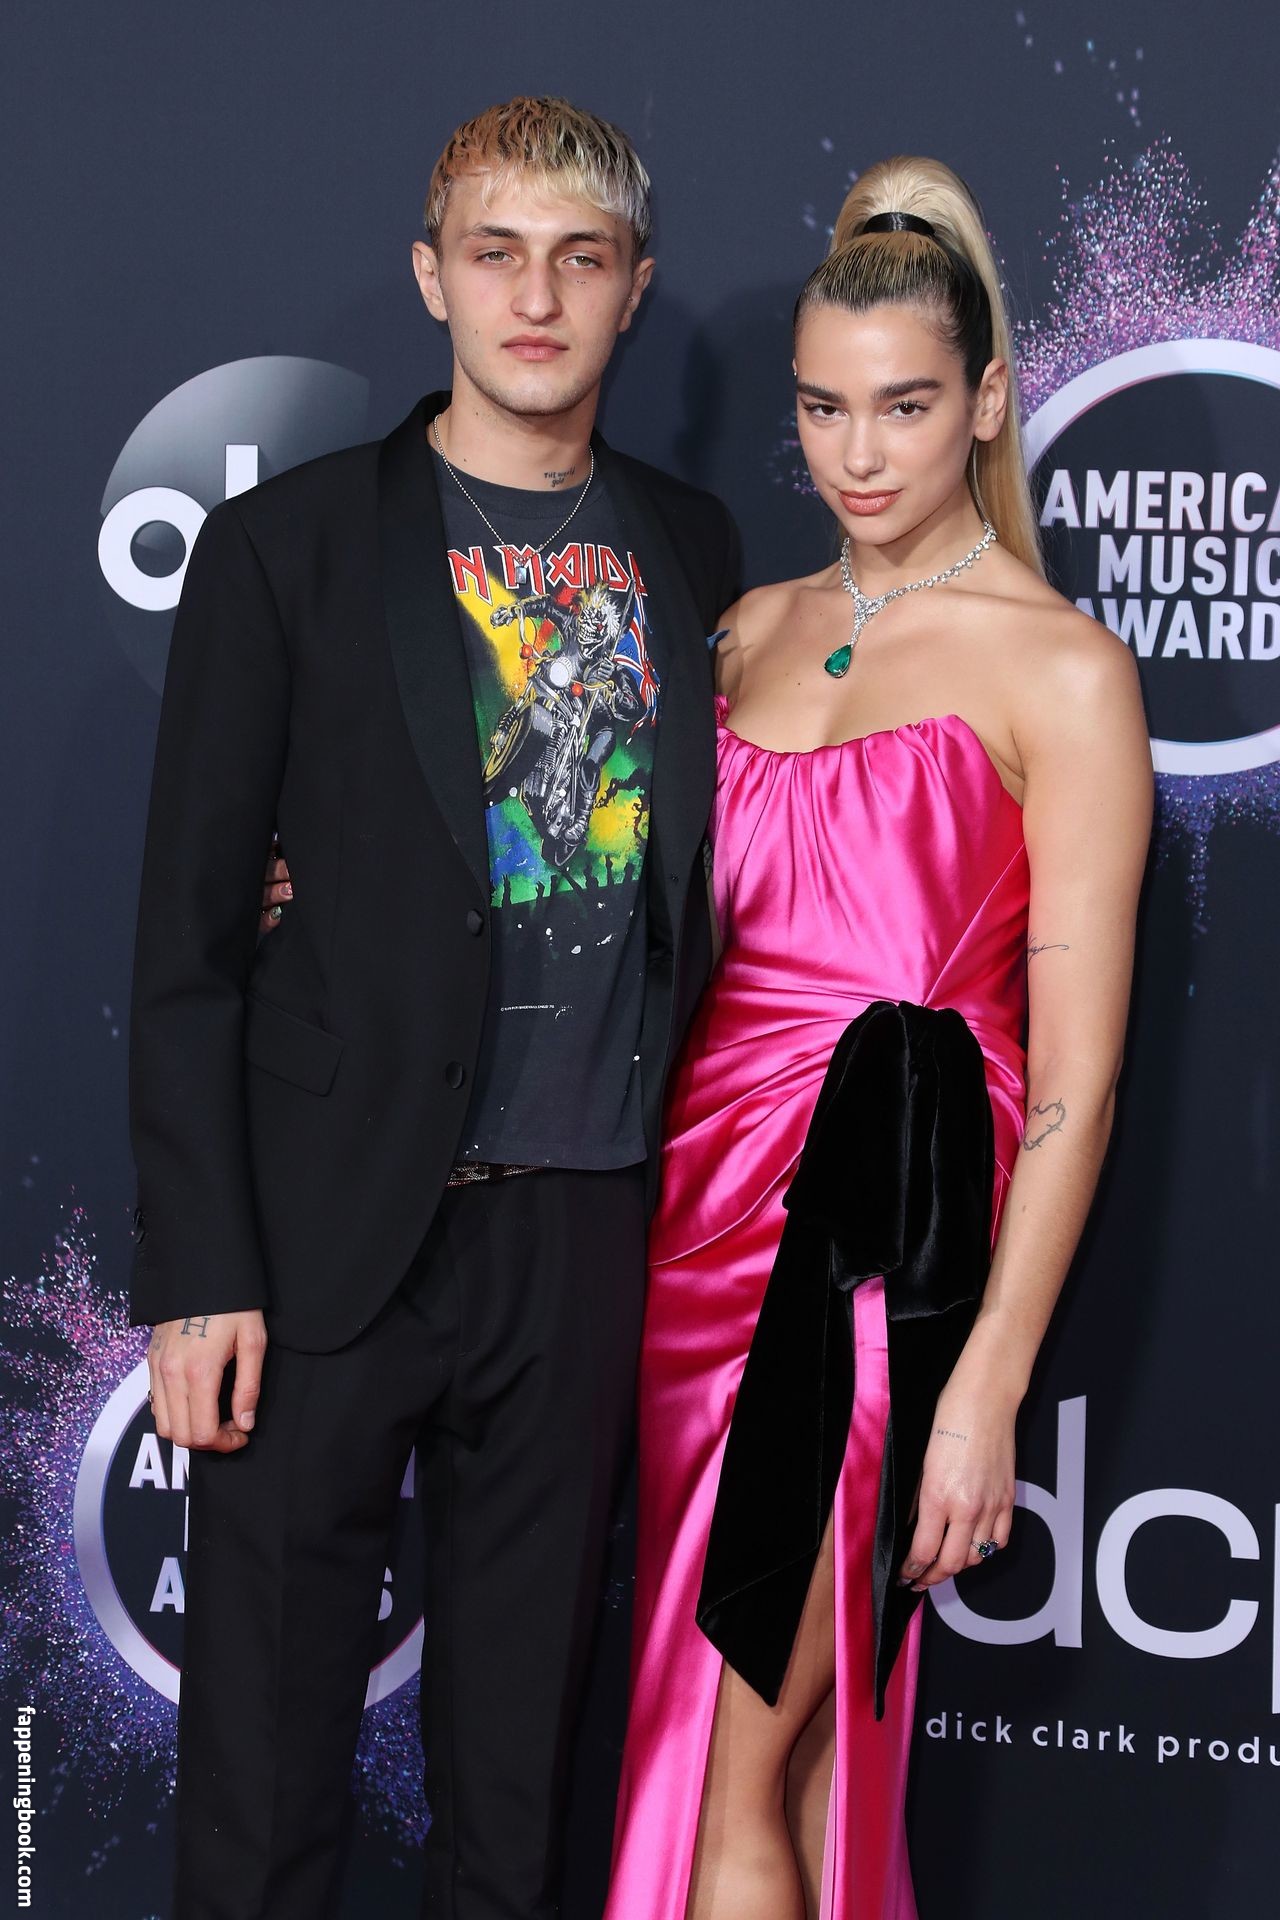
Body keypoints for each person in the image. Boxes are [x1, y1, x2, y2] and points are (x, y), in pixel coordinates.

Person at [129, 97, 738, 1920]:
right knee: (261, 1786)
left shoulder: (695, 552)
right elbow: (185, 948)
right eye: (496, 255)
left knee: (516, 1796)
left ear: (634, 286)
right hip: (323, 1243)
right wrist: (199, 1271)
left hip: (580, 1235)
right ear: (431, 277)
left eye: (578, 259)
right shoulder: (289, 551)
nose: (535, 299)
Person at [598, 158, 1153, 1920]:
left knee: (738, 1765)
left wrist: (986, 1383)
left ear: (983, 401)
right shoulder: (741, 633)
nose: (859, 454)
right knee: (758, 1755)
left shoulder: (1064, 671)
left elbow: (1075, 1082)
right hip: (680, 1243)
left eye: (905, 406)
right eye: (823, 408)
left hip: (867, 1268)